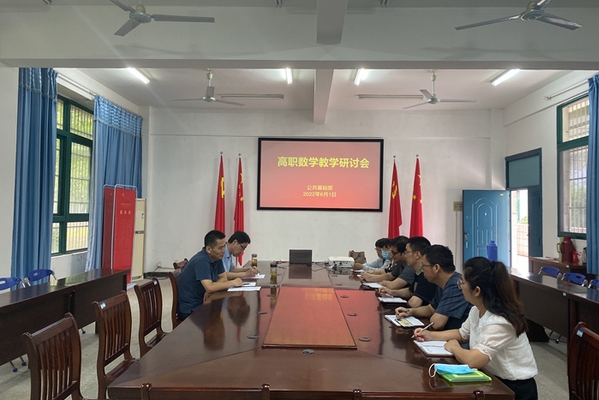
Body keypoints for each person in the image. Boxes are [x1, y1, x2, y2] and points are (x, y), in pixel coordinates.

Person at [414, 257, 538, 400]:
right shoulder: (477, 309)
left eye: (462, 282)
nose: (460, 286)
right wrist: (430, 335)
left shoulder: (500, 321)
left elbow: (474, 360)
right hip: (491, 377)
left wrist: (454, 347)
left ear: (477, 290)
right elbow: (462, 334)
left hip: (515, 388)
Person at [395, 244, 471, 330]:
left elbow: (437, 323)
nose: (422, 270)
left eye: (424, 266)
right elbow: (430, 309)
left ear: (436, 268)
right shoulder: (442, 283)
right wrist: (409, 312)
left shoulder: (456, 285)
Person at [177, 230, 243, 320]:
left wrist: (211, 289)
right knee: (225, 316)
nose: (223, 251)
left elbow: (223, 277)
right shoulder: (201, 261)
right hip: (192, 308)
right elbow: (210, 287)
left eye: (224, 246)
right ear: (209, 249)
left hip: (205, 300)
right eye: (220, 248)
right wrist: (232, 283)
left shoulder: (217, 257)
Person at [380, 236, 437, 308]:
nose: (405, 255)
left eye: (407, 252)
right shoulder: (418, 272)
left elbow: (414, 303)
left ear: (417, 255)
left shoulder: (426, 274)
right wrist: (391, 292)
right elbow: (410, 291)